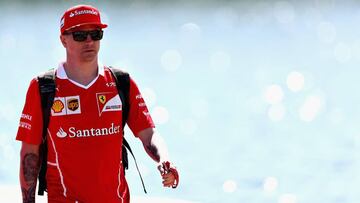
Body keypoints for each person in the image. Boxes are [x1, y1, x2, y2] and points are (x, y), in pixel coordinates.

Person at [16, 4, 178, 203]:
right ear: (63, 40)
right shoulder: (43, 87)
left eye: (96, 34)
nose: (90, 41)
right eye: (80, 35)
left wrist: (164, 159)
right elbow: (29, 154)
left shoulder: (121, 82)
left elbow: (149, 134)